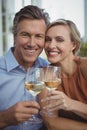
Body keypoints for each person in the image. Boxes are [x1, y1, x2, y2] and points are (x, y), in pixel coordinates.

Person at [0, 5, 50, 130]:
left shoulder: (48, 70)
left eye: (38, 36)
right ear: (14, 37)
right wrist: (4, 119)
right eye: (25, 35)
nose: (32, 43)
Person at [39, 19, 87, 130]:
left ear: (73, 45)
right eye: (48, 40)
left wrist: (71, 104)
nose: (51, 45)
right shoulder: (47, 73)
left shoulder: (85, 67)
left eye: (59, 40)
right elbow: (52, 123)